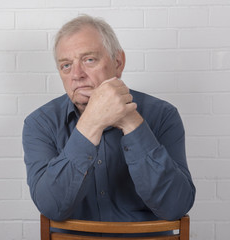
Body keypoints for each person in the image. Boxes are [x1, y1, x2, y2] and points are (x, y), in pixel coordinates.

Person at [22, 15, 195, 225]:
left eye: (89, 60)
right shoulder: (40, 123)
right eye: (66, 65)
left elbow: (175, 206)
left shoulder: (163, 115)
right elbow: (52, 207)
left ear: (118, 62)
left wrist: (131, 122)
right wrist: (91, 123)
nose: (76, 74)